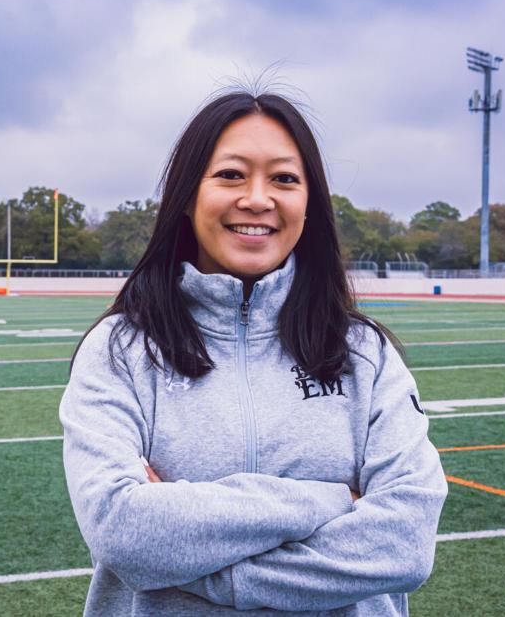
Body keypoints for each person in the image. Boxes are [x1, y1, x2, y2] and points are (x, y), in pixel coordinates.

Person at [60, 89, 447, 615]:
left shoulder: (365, 355)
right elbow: (123, 533)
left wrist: (194, 565)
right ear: (187, 195)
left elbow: (403, 546)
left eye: (284, 179)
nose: (258, 199)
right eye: (231, 175)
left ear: (309, 203)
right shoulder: (121, 350)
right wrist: (332, 500)